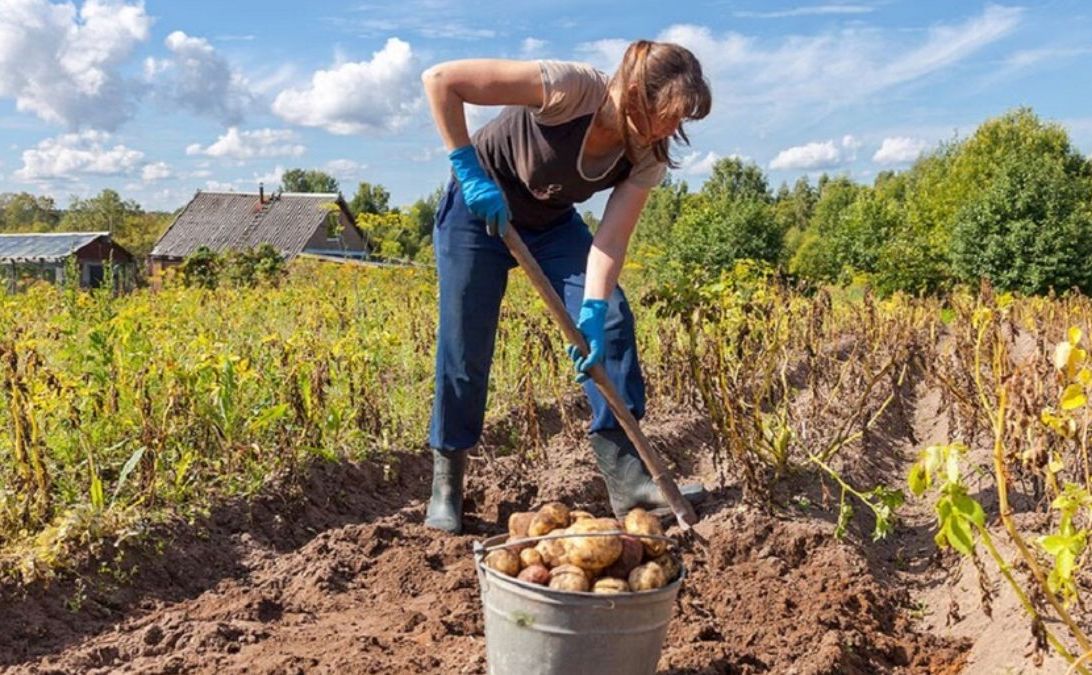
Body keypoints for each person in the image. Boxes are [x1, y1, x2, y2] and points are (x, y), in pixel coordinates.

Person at [421, 40, 711, 533]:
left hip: (551, 225)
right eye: (666, 115)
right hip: (480, 211)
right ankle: (447, 484)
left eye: (678, 122)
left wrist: (594, 310)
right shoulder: (571, 87)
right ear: (636, 92)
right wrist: (469, 173)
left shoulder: (648, 156)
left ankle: (628, 480)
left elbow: (610, 242)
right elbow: (441, 80)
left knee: (614, 322)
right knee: (464, 348)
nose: (670, 130)